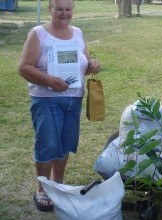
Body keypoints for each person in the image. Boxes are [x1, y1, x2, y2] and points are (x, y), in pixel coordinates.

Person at [18, 0, 100, 212]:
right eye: (59, 9)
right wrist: (49, 81)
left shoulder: (78, 33)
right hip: (46, 99)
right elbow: (24, 67)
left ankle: (58, 184)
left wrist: (93, 65)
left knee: (64, 143)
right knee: (47, 143)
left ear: (73, 10)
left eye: (68, 9)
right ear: (50, 9)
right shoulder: (38, 34)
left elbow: (85, 63)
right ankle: (43, 189)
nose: (64, 14)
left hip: (74, 99)